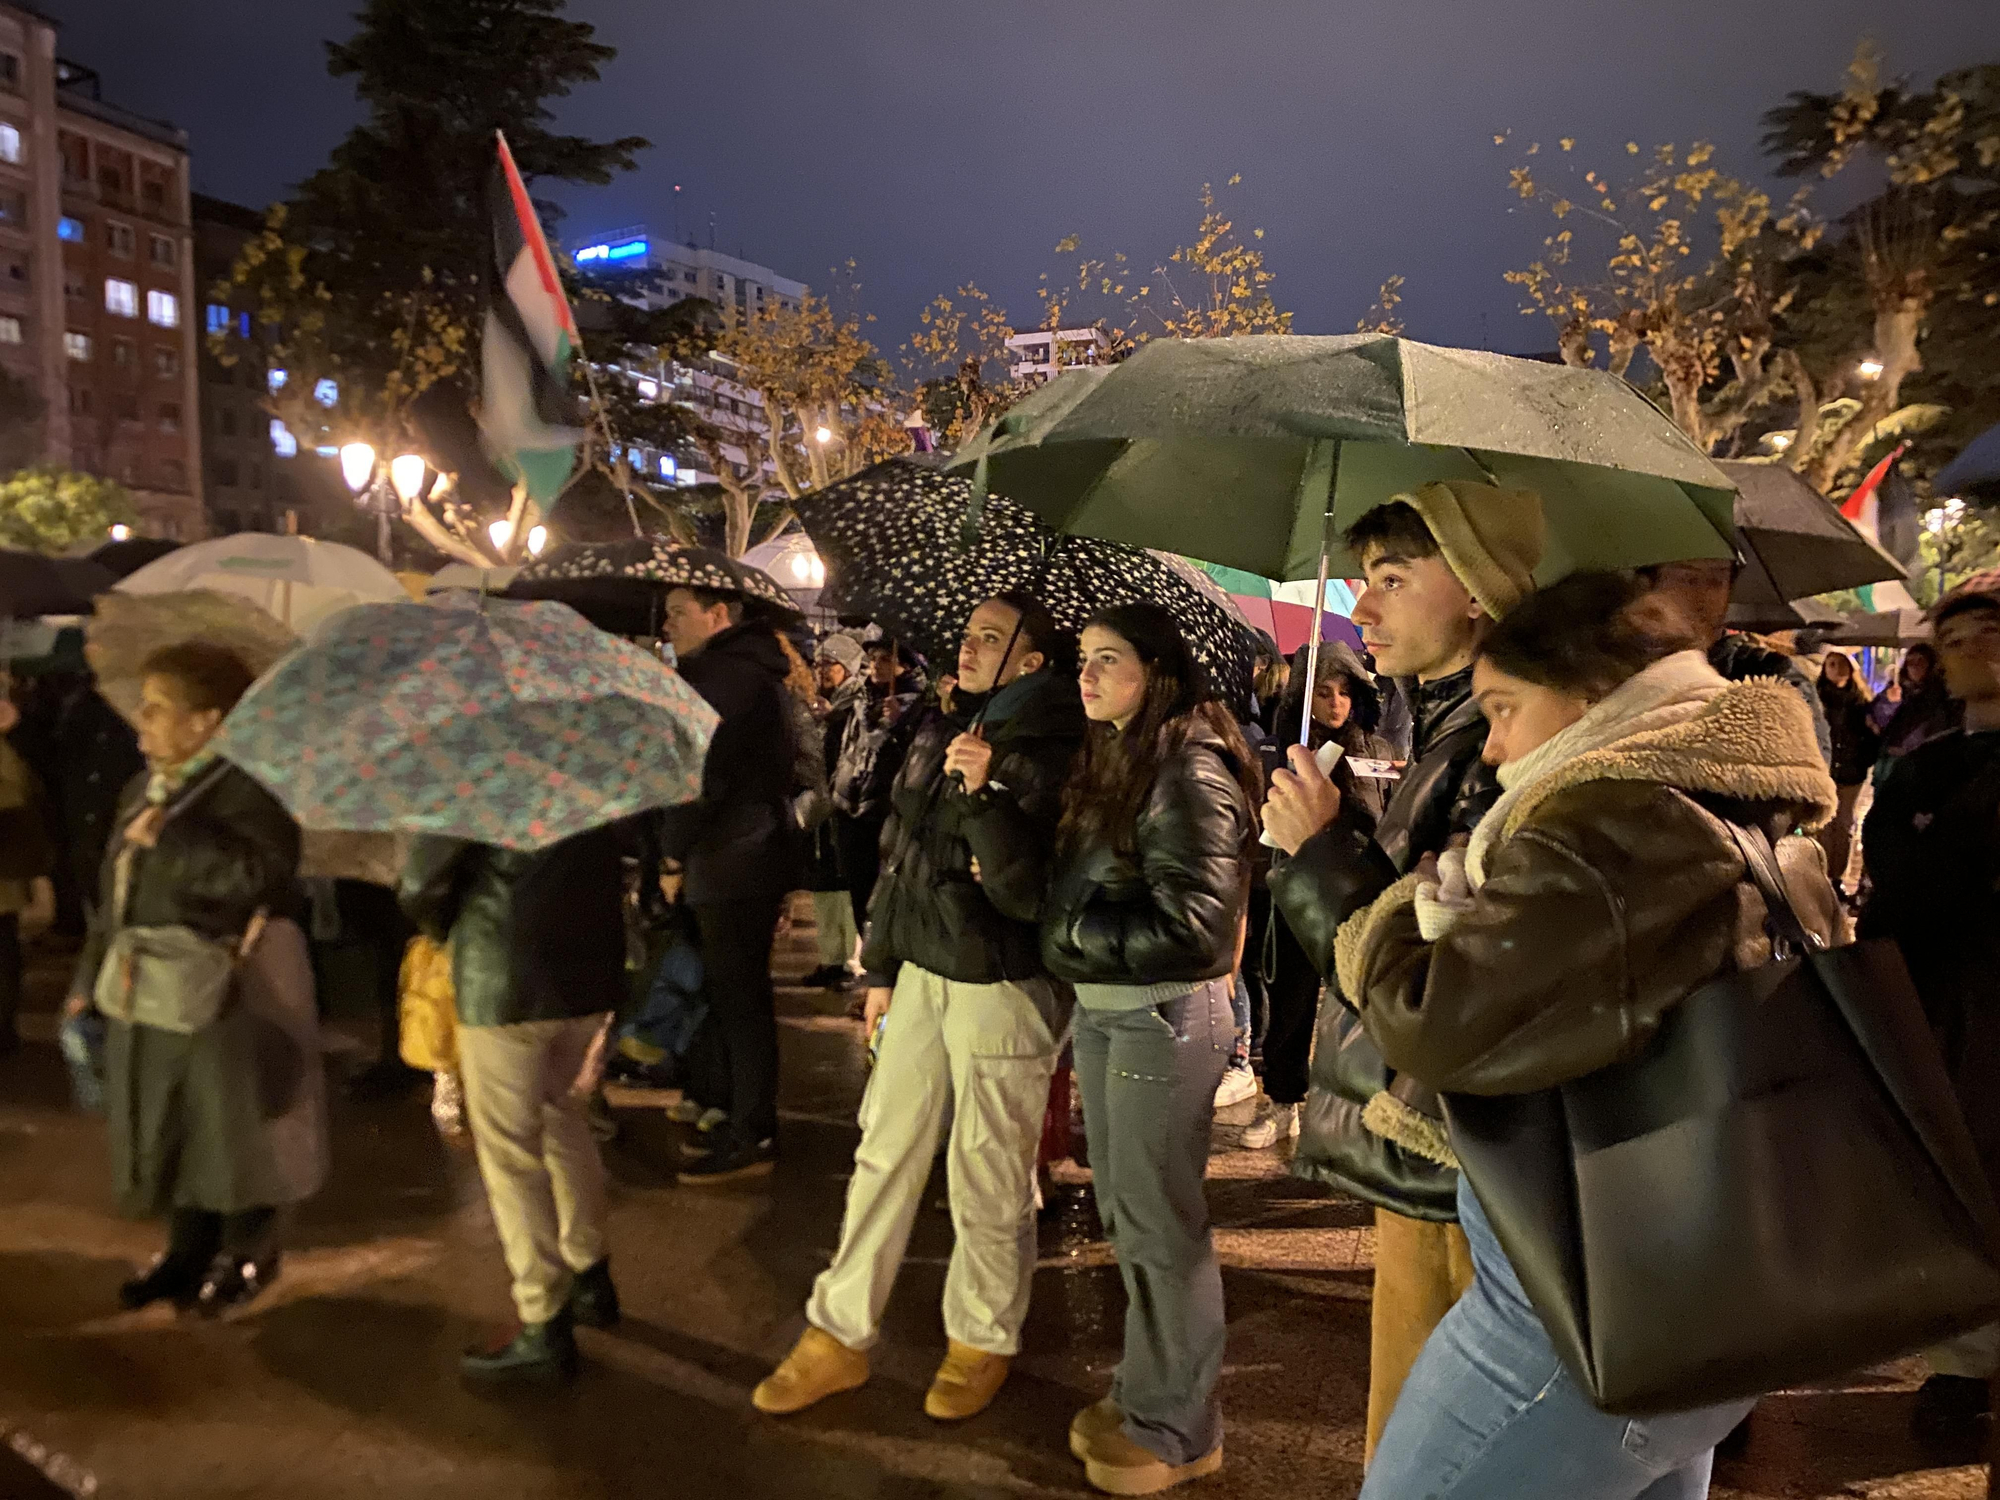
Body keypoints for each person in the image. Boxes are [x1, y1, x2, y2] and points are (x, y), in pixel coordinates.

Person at [1335, 571, 1839, 1499]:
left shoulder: (1611, 827)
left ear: (1594, 696)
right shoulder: (1746, 815)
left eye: (1503, 709)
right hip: (1707, 1295)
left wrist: (1349, 887)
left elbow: (1434, 1026)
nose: (1491, 751)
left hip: (1571, 1319)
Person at [1261, 480, 1542, 1464]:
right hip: (1424, 1140)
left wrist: (1320, 851)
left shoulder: (1498, 751)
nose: (1359, 607)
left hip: (1452, 1155)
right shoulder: (1444, 730)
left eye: (1390, 577)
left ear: (1474, 590)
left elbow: (1440, 981)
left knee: (1437, 1455)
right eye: (1361, 578)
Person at [753, 594, 1084, 1423]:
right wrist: (882, 969)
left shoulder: (1057, 745)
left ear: (1033, 661)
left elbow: (1027, 892)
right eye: (967, 633)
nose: (968, 648)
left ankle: (982, 1337)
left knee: (989, 1170)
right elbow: (898, 858)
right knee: (883, 1148)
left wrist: (985, 793)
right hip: (927, 975)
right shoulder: (944, 723)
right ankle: (837, 1331)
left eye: (990, 639)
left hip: (1001, 984)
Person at [1039, 603, 1256, 1496]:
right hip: (1114, 1009)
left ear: (1157, 671)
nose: (1086, 676)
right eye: (1083, 659)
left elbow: (1198, 925)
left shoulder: (1189, 766)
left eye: (1108, 660)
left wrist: (1068, 930)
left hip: (1160, 1016)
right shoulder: (1127, 755)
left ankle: (1179, 1426)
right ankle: (1144, 1391)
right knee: (1132, 1215)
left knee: (1162, 1224)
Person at [67, 643, 321, 1317]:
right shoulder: (147, 785)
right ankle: (184, 1250)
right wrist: (87, 974)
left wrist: (176, 843)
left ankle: (245, 1250)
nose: (141, 721)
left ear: (207, 721)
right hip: (141, 983)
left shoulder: (249, 788)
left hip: (214, 991)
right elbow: (114, 888)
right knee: (167, 1121)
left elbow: (263, 878)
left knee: (227, 1126)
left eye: (158, 708)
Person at [401, 820, 624, 1380]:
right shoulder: (597, 763)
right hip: (588, 973)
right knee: (563, 1120)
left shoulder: (480, 761)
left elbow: (420, 881)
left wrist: (441, 926)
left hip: (502, 971)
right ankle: (589, 1275)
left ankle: (542, 1317)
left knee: (508, 1152)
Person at [1858, 575, 2000, 1447]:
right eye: (1955, 633)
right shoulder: (1923, 765)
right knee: (1962, 1179)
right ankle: (1964, 1367)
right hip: (1948, 1004)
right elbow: (1894, 901)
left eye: (1989, 627)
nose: (1971, 645)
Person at [661, 583, 807, 1182]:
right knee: (731, 994)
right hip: (745, 852)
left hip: (732, 857)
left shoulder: (726, 679)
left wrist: (673, 854)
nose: (669, 624)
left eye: (678, 613)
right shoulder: (744, 672)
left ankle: (752, 1130)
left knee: (739, 997)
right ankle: (729, 1107)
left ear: (718, 615)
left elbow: (700, 775)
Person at [1242, 640, 1400, 1149]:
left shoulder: (1377, 751)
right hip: (1296, 894)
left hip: (1362, 893)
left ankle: (1362, 1109)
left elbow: (1393, 821)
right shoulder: (1280, 751)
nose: (1336, 704)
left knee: (1360, 1007)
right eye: (1324, 693)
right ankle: (1284, 1100)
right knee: (1289, 1004)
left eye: (1345, 693)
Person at [1638, 557, 1832, 764]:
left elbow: (1806, 776)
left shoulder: (1773, 675)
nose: (1702, 597)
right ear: (1650, 584)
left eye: (1716, 581)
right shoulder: (1620, 670)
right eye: (1688, 578)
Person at [802, 635, 868, 989]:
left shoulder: (855, 703)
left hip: (845, 807)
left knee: (845, 883)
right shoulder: (824, 705)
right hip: (823, 807)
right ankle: (830, 959)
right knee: (825, 883)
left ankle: (851, 961)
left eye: (831, 664)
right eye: (820, 664)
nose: (823, 671)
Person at [0, 683, 55, 1054]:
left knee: (3, 952)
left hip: (4, 874)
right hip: (7, 873)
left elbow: (19, 796)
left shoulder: (8, 753)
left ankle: (3, 1032)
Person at [1814, 649, 1877, 894]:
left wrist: (1862, 760)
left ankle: (1836, 876)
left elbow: (1871, 738)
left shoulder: (1861, 703)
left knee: (1843, 824)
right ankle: (1820, 873)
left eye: (1842, 665)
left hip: (1851, 773)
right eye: (1831, 664)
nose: (1836, 669)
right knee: (1822, 824)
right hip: (1824, 772)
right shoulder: (1817, 700)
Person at [1876, 641, 1957, 766]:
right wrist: (1890, 703)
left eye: (1920, 661)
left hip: (1921, 762)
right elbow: (1879, 723)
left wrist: (1908, 749)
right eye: (1910, 662)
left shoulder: (1941, 695)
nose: (1915, 666)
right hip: (1890, 760)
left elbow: (1938, 728)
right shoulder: (1896, 689)